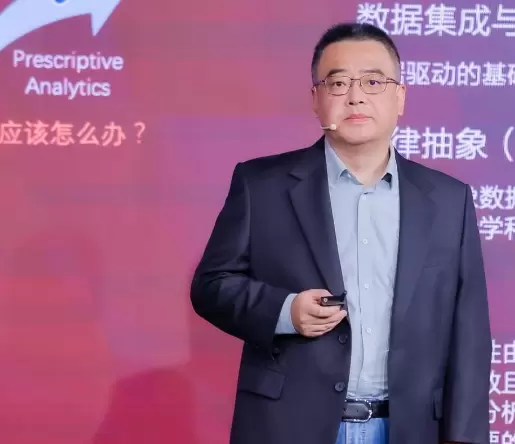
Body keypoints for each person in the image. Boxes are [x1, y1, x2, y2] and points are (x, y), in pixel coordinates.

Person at [190, 22, 492, 444]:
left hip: (408, 429)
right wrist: (285, 311)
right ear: (315, 99)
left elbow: (470, 334)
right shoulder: (262, 186)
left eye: (373, 81)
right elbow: (211, 286)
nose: (356, 96)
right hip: (288, 427)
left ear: (400, 98)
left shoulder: (448, 200)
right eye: (338, 83)